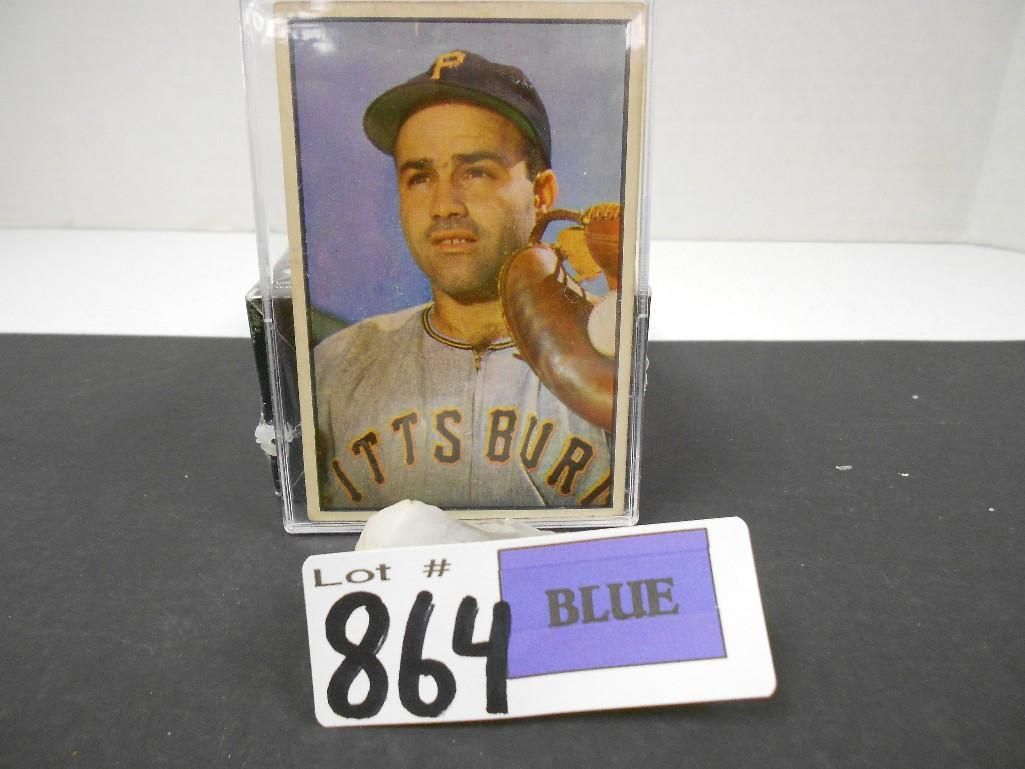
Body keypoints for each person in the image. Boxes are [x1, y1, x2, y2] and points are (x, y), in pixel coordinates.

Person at [314, 50, 613, 511]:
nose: (444, 205)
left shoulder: (611, 353)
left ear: (542, 194)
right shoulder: (335, 369)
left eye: (475, 172)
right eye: (420, 177)